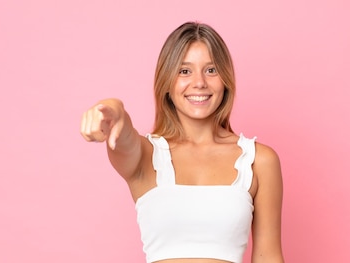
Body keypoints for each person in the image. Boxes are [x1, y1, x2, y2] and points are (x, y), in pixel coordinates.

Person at [81, 22, 284, 263]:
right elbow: (122, 131)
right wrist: (111, 108)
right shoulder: (145, 157)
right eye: (184, 71)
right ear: (166, 82)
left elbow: (268, 257)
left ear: (226, 80)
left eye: (211, 70)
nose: (199, 83)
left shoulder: (258, 161)